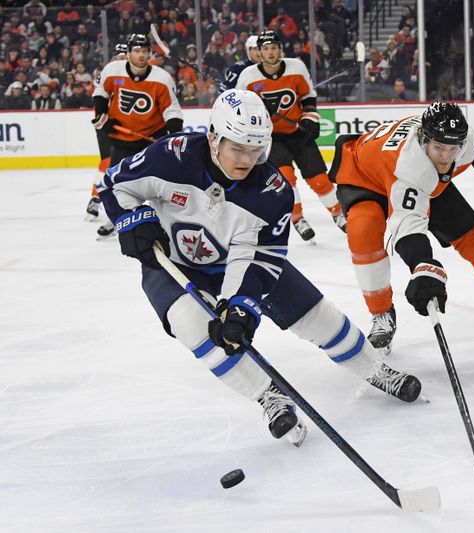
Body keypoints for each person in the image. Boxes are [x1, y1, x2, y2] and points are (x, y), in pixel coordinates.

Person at [97, 89, 423, 447]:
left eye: (256, 149)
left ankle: (373, 368)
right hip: (172, 262)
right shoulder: (170, 157)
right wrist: (131, 220)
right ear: (213, 138)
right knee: (193, 326)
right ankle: (268, 395)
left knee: (316, 314)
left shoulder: (272, 191)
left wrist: (240, 306)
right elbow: (114, 184)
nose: (247, 159)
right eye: (238, 148)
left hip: (239, 262)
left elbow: (258, 259)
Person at [330, 101, 474, 353]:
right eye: (438, 148)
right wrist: (423, 266)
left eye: (452, 149)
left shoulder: (460, 139)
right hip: (364, 177)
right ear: (424, 139)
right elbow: (408, 226)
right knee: (363, 233)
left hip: (419, 179)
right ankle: (381, 314)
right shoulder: (411, 166)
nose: (446, 157)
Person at [237, 29, 346, 242]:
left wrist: (309, 121)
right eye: (266, 49)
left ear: (280, 49)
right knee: (286, 180)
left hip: (297, 133)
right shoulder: (248, 77)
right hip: (271, 138)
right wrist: (259, 109)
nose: (270, 53)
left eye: (274, 48)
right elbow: (241, 107)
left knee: (320, 180)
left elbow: (308, 97)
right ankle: (297, 218)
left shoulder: (296, 67)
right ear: (259, 52)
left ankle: (338, 213)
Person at [91, 34, 184, 238]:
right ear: (129, 53)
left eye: (144, 51)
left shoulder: (161, 78)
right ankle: (116, 219)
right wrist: (102, 116)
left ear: (149, 53)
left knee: (158, 184)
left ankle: (167, 220)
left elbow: (172, 110)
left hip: (151, 140)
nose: (141, 55)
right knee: (117, 183)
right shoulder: (112, 70)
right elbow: (101, 93)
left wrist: (173, 135)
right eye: (136, 51)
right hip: (122, 140)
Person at [85, 43, 128, 221]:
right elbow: (99, 98)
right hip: (106, 125)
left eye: (126, 56)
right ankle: (96, 198)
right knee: (107, 162)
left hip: (126, 125)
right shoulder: (108, 74)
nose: (123, 60)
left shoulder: (137, 76)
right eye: (120, 57)